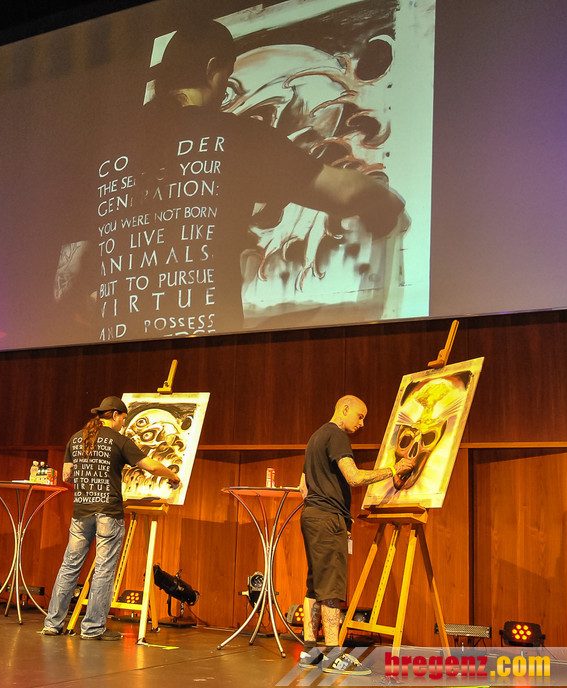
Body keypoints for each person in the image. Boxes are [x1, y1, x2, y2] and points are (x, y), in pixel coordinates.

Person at [87, 19, 405, 341]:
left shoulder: (110, 152)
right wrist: (385, 199)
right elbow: (343, 193)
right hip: (204, 352)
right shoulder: (236, 135)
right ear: (213, 69)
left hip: (117, 353)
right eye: (227, 77)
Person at [41, 396, 181, 640]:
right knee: (104, 570)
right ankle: (92, 628)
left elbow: (67, 475)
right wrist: (174, 476)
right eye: (123, 419)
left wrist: (88, 481)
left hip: (81, 512)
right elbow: (150, 466)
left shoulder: (76, 438)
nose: (123, 424)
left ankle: (52, 624)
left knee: (69, 566)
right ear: (115, 415)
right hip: (108, 511)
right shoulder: (119, 440)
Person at [296, 395, 416, 674]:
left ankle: (310, 652)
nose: (362, 423)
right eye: (360, 416)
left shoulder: (316, 437)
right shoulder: (337, 435)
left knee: (316, 585)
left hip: (312, 516)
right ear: (345, 409)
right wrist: (394, 469)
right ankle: (333, 655)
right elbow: (354, 477)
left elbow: (303, 486)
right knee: (330, 589)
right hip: (328, 519)